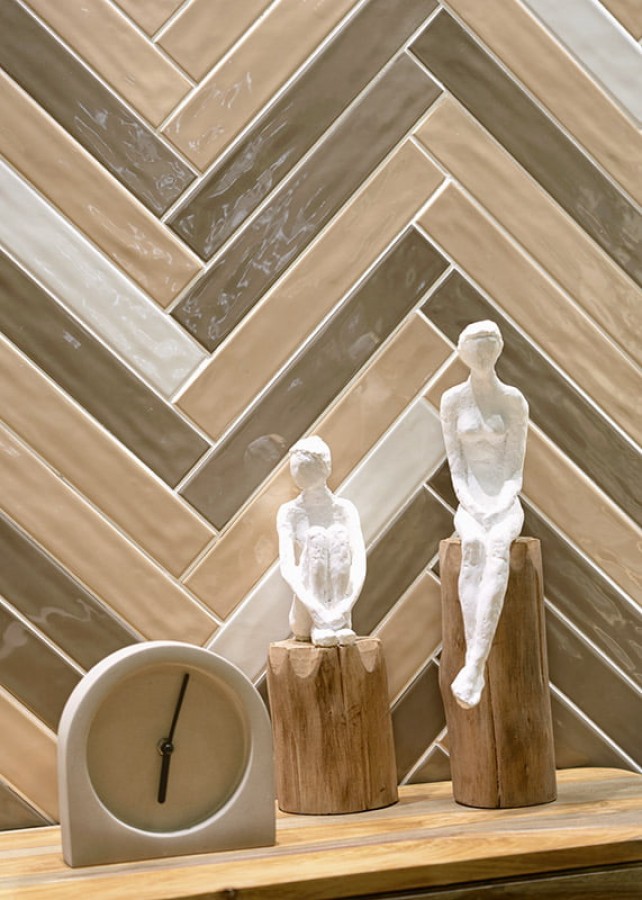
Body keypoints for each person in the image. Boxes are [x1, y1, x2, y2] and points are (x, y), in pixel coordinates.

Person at [440, 321, 528, 708]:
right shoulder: (452, 401)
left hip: (505, 501)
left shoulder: (513, 401)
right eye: (475, 346)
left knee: (496, 551)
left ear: (499, 349)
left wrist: (499, 504)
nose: (482, 353)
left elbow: (514, 471)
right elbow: (457, 468)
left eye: (488, 345)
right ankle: (473, 664)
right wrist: (473, 505)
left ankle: (474, 666)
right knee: (472, 547)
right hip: (471, 502)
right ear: (462, 352)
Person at [277, 436, 366, 647]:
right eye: (297, 468)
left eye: (304, 467)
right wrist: (318, 612)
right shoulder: (289, 512)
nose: (299, 473)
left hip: (341, 616)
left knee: (338, 534)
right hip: (307, 614)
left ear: (324, 468)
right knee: (316, 535)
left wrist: (344, 608)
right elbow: (287, 568)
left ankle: (334, 624)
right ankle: (320, 627)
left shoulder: (344, 509)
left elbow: (359, 562)